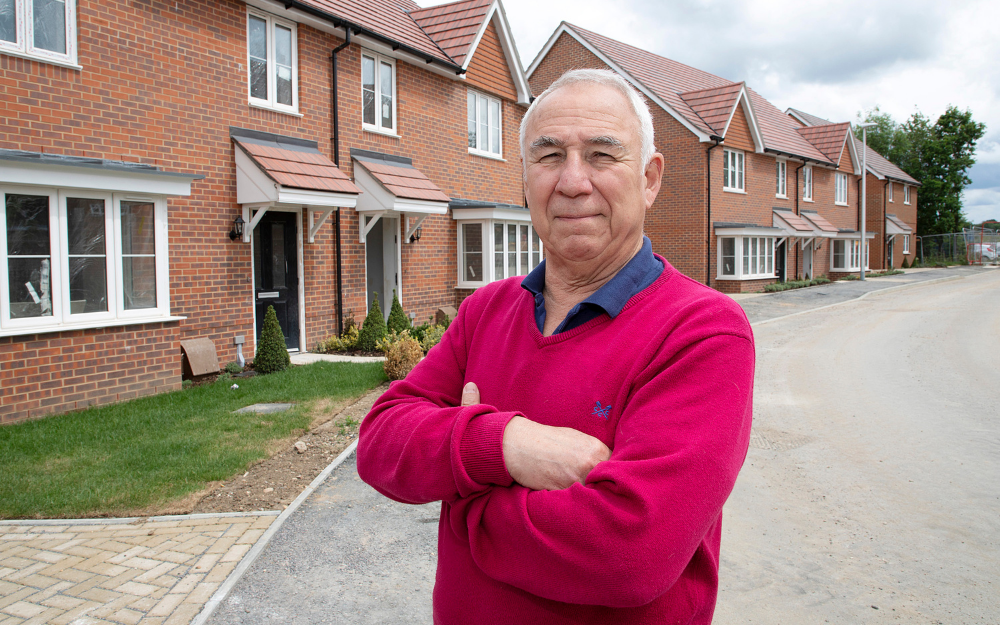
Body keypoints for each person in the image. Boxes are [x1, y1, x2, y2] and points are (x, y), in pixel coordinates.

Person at [357, 68, 754, 624]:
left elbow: (628, 555)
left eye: (601, 155)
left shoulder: (702, 332)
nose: (572, 181)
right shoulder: (484, 312)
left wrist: (462, 499)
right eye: (548, 157)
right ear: (524, 180)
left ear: (650, 179)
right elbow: (379, 442)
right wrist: (504, 446)